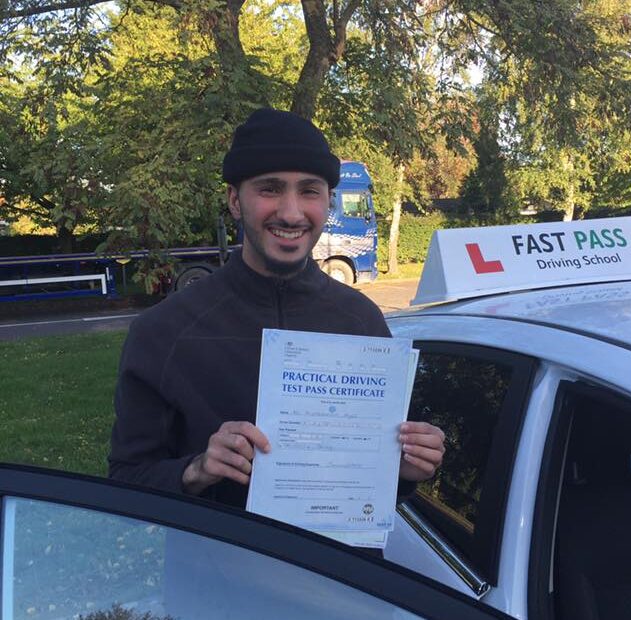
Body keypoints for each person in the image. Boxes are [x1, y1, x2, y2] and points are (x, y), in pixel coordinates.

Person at [109, 108, 445, 510]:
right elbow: (127, 482)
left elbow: (370, 482)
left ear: (328, 201)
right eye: (269, 189)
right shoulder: (163, 332)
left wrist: (408, 467)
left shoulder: (363, 322)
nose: (291, 212)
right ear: (235, 200)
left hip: (339, 571)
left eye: (309, 190)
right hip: (211, 569)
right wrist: (196, 470)